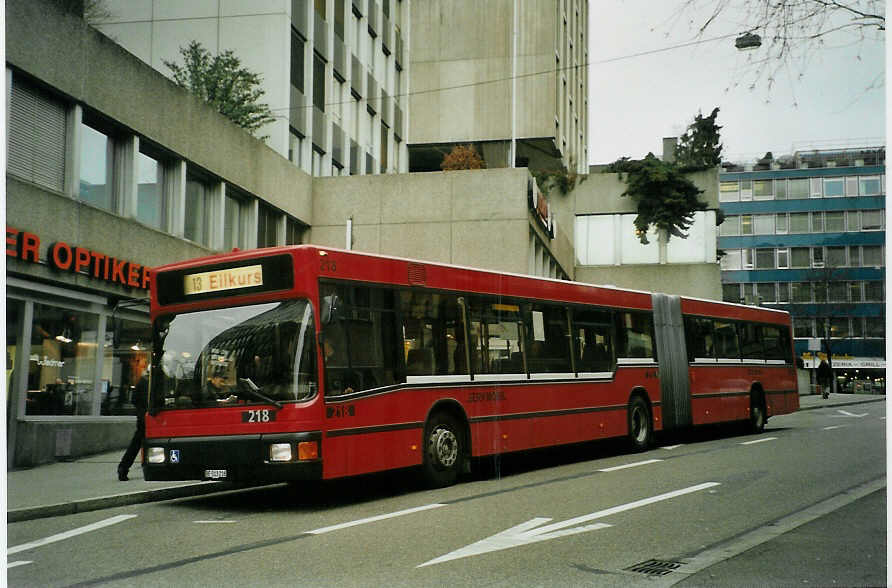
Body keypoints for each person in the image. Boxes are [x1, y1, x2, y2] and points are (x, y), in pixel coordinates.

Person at [118, 372, 148, 481]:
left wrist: (140, 411)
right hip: (152, 417)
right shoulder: (154, 382)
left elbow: (134, 399)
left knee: (136, 443)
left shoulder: (141, 382)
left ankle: (123, 467)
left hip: (142, 418)